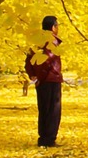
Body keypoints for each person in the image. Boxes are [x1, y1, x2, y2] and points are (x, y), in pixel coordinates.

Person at [25, 15, 63, 147]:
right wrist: (39, 77)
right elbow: (46, 60)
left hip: (42, 80)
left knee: (44, 109)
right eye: (57, 26)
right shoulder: (51, 41)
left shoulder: (37, 40)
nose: (58, 28)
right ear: (53, 27)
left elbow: (29, 59)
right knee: (53, 110)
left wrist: (32, 75)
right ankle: (49, 139)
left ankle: (43, 138)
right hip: (51, 79)